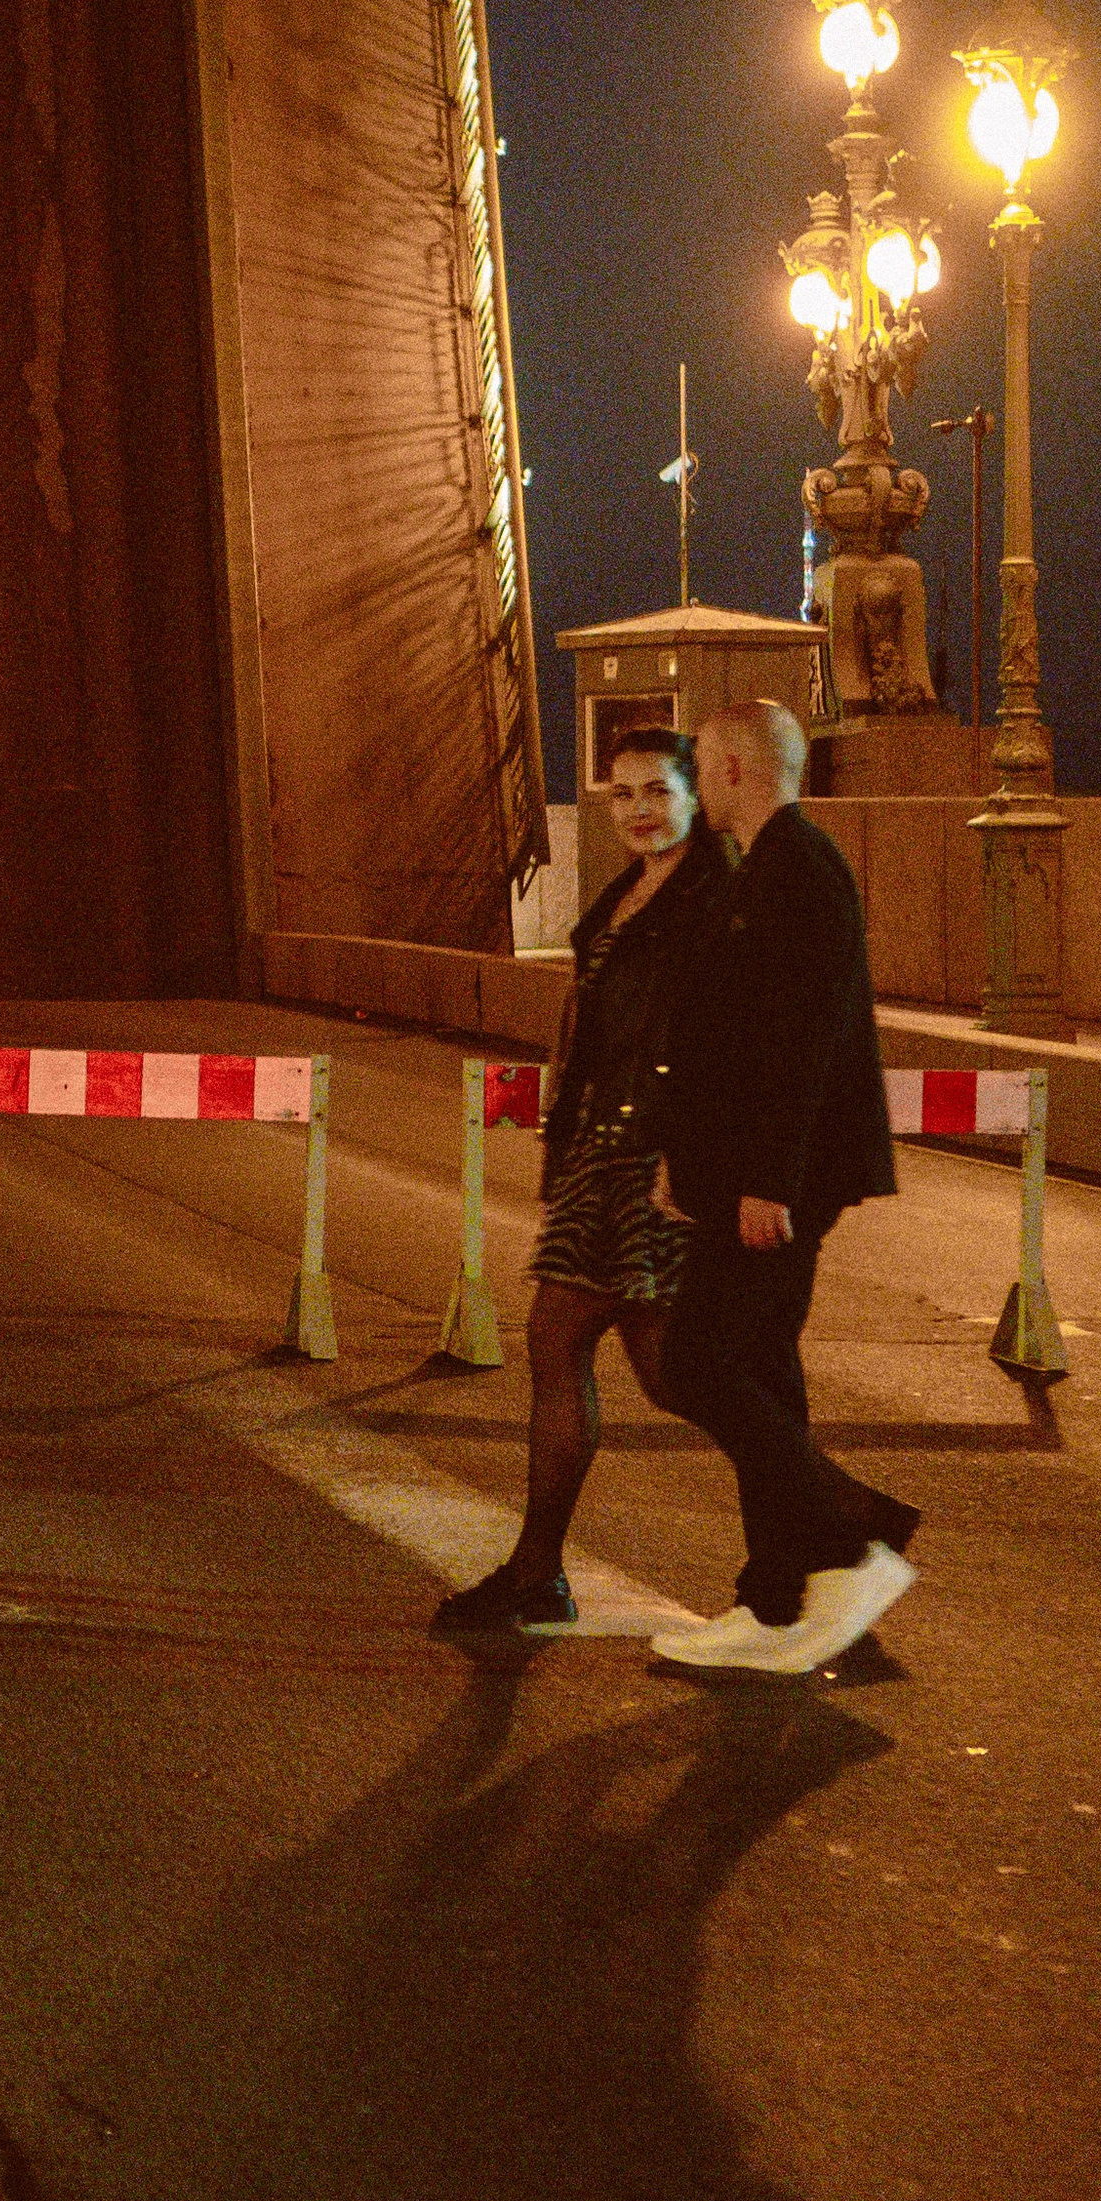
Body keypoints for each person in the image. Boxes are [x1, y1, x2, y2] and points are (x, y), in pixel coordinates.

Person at [642, 699, 919, 1676]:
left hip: (778, 1185)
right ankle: (775, 1603)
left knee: (697, 1364)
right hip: (758, 1178)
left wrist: (765, 1182)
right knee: (762, 1369)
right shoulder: (771, 865)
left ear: (731, 768)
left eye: (701, 763)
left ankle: (851, 1540)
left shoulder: (797, 868)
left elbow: (799, 1041)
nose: (695, 782)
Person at [436, 728, 730, 1635]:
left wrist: (687, 1155)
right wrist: (564, 1146)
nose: (639, 810)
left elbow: (711, 1036)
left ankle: (537, 1573)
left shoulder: (710, 898)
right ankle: (836, 1524)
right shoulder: (628, 895)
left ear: (697, 798)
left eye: (659, 791)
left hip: (649, 1158)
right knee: (671, 1375)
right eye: (623, 794)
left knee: (561, 1338)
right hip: (606, 1150)